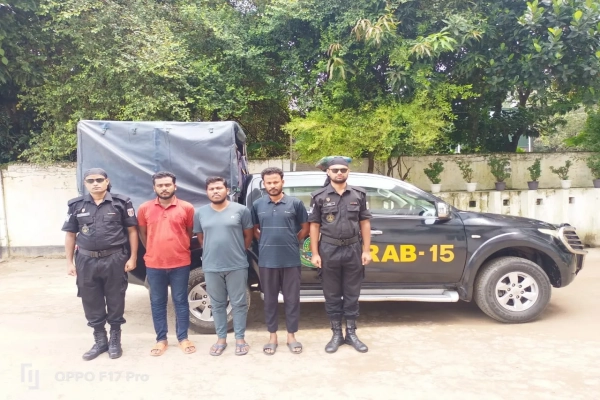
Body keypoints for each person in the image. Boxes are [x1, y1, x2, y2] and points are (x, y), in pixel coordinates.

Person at [62, 168, 138, 360]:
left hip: (114, 259)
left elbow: (132, 231)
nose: (95, 183)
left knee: (115, 298)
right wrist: (69, 262)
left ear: (107, 181)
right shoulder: (76, 205)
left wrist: (133, 257)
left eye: (99, 180)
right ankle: (100, 340)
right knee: (90, 299)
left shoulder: (121, 203)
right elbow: (70, 235)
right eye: (90, 180)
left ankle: (115, 340)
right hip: (85, 260)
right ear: (85, 183)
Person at [308, 157, 373, 353]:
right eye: (335, 170)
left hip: (353, 249)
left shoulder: (359, 194)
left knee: (352, 293)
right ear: (328, 172)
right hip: (329, 249)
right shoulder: (319, 196)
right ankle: (336, 334)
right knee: (332, 294)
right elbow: (314, 225)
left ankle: (351, 333)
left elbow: (364, 223)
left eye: (343, 170)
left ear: (348, 172)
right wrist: (315, 253)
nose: (339, 173)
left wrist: (366, 250)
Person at [251, 167, 309, 355]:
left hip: (291, 260)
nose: (273, 185)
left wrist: (293, 240)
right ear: (264, 184)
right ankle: (272, 337)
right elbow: (254, 229)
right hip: (267, 261)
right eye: (269, 183)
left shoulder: (295, 203)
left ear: (282, 182)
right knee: (269, 300)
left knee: (292, 300)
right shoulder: (258, 205)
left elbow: (305, 227)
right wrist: (265, 240)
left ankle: (291, 336)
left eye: (276, 182)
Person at [137, 171, 196, 357]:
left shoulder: (187, 208)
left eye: (167, 185)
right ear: (154, 188)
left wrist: (179, 247)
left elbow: (189, 232)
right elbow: (142, 234)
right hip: (154, 264)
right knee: (157, 302)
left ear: (175, 186)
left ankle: (183, 338)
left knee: (180, 301)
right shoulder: (144, 208)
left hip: (180, 262)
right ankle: (161, 339)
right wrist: (153, 249)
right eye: (160, 185)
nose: (164, 188)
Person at [194, 177, 254, 356]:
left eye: (219, 188)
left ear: (227, 190)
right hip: (211, 265)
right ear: (207, 192)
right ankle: (221, 339)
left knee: (239, 303)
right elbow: (201, 237)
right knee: (217, 304)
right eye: (211, 189)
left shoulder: (241, 210)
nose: (215, 191)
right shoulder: (200, 213)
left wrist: (238, 251)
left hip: (236, 264)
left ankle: (240, 338)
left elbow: (248, 235)